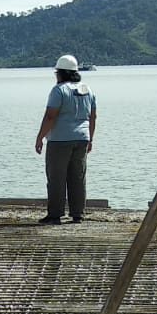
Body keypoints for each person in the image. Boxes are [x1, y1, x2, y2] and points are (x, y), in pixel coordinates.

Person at [33, 54, 98, 224]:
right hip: (82, 138)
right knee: (78, 177)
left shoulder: (59, 90)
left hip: (59, 140)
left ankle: (55, 214)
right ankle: (78, 213)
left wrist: (40, 138)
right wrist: (90, 138)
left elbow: (50, 117)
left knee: (56, 178)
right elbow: (93, 117)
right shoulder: (87, 89)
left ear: (60, 73)